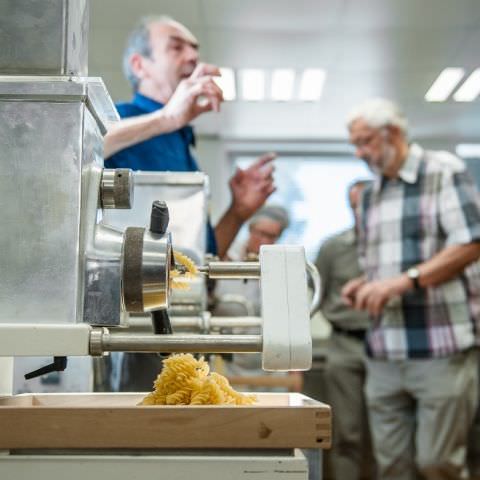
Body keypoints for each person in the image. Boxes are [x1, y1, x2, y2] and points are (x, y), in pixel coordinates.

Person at [342, 98, 480, 480]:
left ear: (394, 134)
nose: (359, 153)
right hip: (384, 349)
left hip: (440, 346)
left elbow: (471, 242)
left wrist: (407, 280)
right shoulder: (369, 194)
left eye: (365, 141)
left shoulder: (443, 171)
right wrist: (365, 285)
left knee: (438, 464)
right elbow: (380, 266)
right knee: (392, 468)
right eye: (355, 143)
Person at [103, 15, 276, 258]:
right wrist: (166, 118)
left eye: (195, 49)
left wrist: (238, 212)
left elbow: (197, 261)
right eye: (176, 47)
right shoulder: (118, 120)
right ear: (140, 65)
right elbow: (78, 151)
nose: (193, 57)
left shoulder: (180, 141)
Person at [313, 180, 374, 480]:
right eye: (355, 206)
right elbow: (311, 296)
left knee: (392, 431)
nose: (361, 212)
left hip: (391, 343)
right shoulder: (333, 247)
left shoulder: (400, 249)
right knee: (346, 431)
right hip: (345, 343)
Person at [213, 206, 298, 391]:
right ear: (250, 229)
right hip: (228, 365)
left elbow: (292, 324)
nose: (264, 241)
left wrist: (296, 374)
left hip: (271, 370)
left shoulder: (282, 267)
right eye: (261, 233)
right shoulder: (225, 260)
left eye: (272, 236)